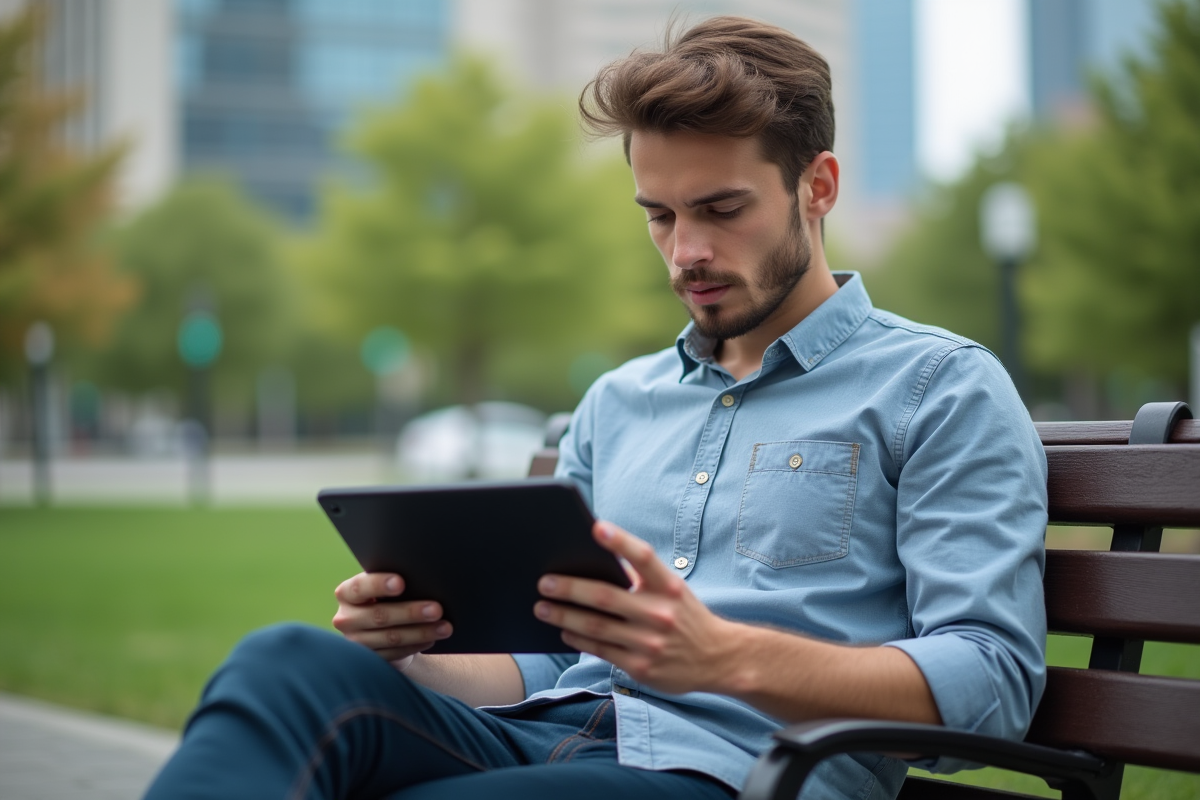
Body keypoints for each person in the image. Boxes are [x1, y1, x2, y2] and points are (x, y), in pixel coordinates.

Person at [144, 16, 1047, 800]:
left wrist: (723, 656)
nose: (684, 251)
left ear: (817, 186)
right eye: (658, 215)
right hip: (549, 738)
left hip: (737, 775)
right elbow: (543, 658)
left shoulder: (938, 388)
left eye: (721, 208)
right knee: (287, 663)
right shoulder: (619, 403)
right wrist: (412, 653)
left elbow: (995, 681)